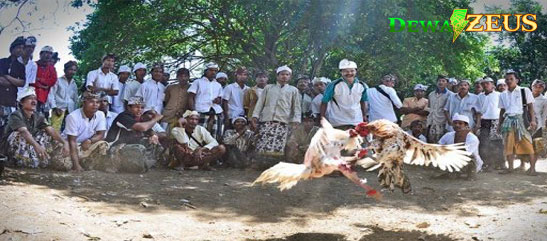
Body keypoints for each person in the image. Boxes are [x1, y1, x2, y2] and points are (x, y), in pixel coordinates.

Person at [1, 87, 69, 170]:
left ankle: (51, 159)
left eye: (35, 99)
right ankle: (18, 161)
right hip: (10, 148)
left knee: (46, 133)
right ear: (22, 102)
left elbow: (50, 129)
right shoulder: (15, 115)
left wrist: (64, 142)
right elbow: (24, 132)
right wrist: (37, 146)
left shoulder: (38, 115)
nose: (34, 101)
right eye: (30, 99)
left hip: (28, 145)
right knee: (18, 135)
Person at [251, 65, 301, 169]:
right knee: (264, 142)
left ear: (290, 77)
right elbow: (260, 103)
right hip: (267, 119)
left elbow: (296, 106)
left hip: (283, 120)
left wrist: (296, 120)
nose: (284, 77)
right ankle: (261, 165)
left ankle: (275, 166)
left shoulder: (293, 90)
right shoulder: (269, 87)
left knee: (278, 144)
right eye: (282, 74)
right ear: (277, 76)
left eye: (287, 75)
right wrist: (255, 115)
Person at [105, 97, 164, 173]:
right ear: (129, 107)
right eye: (136, 107)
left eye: (142, 107)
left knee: (155, 144)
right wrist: (155, 119)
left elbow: (149, 130)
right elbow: (143, 127)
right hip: (115, 147)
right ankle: (117, 165)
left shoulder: (137, 117)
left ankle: (143, 164)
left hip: (128, 145)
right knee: (139, 148)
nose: (140, 110)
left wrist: (153, 135)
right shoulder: (124, 116)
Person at [498, 71, 537, 176]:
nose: (509, 81)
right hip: (507, 122)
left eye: (511, 79)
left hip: (521, 120)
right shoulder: (502, 94)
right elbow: (502, 111)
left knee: (527, 143)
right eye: (507, 79)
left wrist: (533, 120)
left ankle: (532, 169)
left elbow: (530, 107)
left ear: (517, 80)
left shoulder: (524, 90)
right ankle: (510, 168)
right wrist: (499, 124)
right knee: (508, 145)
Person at [64, 92, 109, 172]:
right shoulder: (73, 117)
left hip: (86, 144)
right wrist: (76, 165)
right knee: (65, 165)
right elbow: (72, 142)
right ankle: (77, 164)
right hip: (71, 146)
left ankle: (89, 165)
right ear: (84, 103)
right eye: (91, 102)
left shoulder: (100, 114)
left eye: (97, 102)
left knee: (103, 145)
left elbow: (101, 134)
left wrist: (90, 140)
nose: (95, 104)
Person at [320, 59, 368, 129]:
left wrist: (364, 115)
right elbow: (324, 102)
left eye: (352, 71)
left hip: (356, 121)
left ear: (356, 71)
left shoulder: (362, 85)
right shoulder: (334, 85)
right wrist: (322, 118)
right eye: (346, 71)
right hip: (338, 122)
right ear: (341, 72)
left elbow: (363, 101)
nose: (349, 73)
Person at [438, 113, 483, 180]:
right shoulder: (448, 135)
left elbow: (466, 153)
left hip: (468, 161)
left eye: (460, 123)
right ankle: (453, 173)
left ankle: (471, 174)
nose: (457, 125)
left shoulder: (472, 138)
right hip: (453, 159)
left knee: (470, 157)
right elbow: (438, 146)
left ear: (466, 125)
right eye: (455, 123)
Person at [188, 62, 224, 139]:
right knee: (199, 136)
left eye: (215, 71)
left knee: (214, 136)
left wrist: (218, 100)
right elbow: (191, 97)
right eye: (211, 70)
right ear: (205, 71)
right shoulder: (198, 82)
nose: (213, 72)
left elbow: (220, 99)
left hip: (215, 112)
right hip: (201, 112)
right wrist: (193, 112)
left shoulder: (218, 85)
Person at [0, 36, 26, 136]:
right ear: (12, 48)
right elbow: (1, 81)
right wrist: (14, 81)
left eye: (22, 48)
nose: (20, 50)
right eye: (18, 47)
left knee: (8, 129)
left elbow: (22, 83)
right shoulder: (2, 62)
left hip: (11, 101)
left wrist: (7, 77)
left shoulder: (20, 66)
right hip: (1, 98)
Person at [477, 77, 504, 171]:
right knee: (484, 143)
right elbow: (478, 111)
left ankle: (500, 164)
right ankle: (487, 164)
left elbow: (503, 109)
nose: (485, 85)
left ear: (493, 85)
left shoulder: (499, 95)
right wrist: (478, 123)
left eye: (487, 83)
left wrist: (501, 122)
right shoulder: (480, 96)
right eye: (483, 84)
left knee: (497, 143)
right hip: (484, 121)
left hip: (496, 120)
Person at [47, 61, 79, 132]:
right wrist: (54, 107)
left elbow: (75, 99)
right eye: (70, 69)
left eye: (74, 70)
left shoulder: (74, 84)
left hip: (71, 110)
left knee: (69, 130)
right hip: (59, 109)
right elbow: (51, 94)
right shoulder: (58, 81)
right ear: (65, 70)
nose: (72, 72)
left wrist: (75, 112)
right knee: (55, 130)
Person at [426, 75, 453, 143]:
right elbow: (429, 107)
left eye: (443, 81)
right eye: (439, 81)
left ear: (447, 83)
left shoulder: (451, 95)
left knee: (441, 143)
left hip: (443, 123)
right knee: (431, 143)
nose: (441, 82)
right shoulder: (431, 94)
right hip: (431, 122)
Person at [34, 45, 57, 116]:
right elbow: (30, 80)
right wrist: (43, 86)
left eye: (50, 54)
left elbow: (53, 81)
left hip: (43, 98)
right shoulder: (33, 65)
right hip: (32, 95)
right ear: (41, 54)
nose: (48, 55)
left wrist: (40, 79)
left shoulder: (51, 68)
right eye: (46, 53)